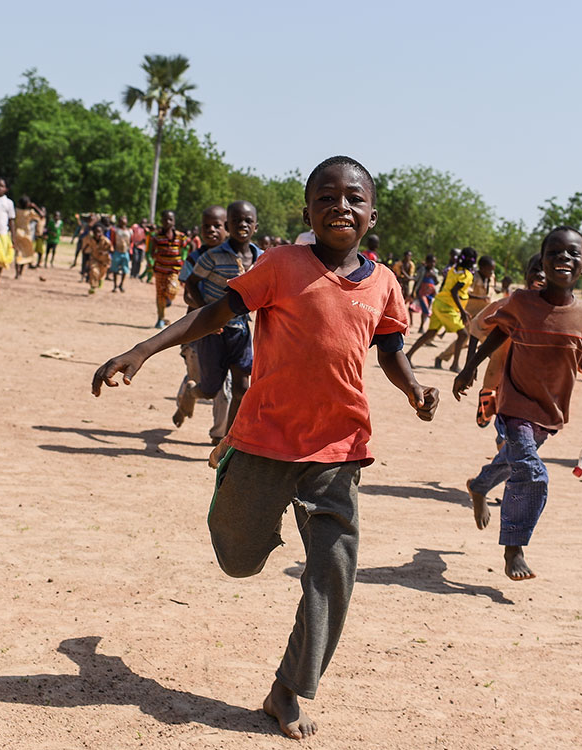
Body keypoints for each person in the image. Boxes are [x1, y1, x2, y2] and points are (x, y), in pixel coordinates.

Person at [93, 155, 437, 740]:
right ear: (308, 210)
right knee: (238, 559)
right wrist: (143, 351)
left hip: (338, 447)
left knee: (332, 572)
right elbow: (215, 312)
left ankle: (288, 691)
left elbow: (390, 349)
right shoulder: (281, 265)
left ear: (372, 214)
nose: (341, 208)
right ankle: (229, 478)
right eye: (326, 198)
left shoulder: (383, 283)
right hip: (263, 441)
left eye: (354, 199)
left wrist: (414, 387)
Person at [452, 228, 582, 581]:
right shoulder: (522, 303)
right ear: (542, 261)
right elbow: (499, 331)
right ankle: (514, 548)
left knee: (514, 460)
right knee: (531, 472)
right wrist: (469, 367)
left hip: (549, 412)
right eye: (555, 252)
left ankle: (480, 485)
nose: (564, 258)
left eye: (573, 254)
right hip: (515, 406)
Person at [179, 201, 260, 438]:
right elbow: (192, 283)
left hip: (241, 331)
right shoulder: (212, 256)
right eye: (236, 221)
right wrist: (207, 314)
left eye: (248, 221)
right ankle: (192, 392)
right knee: (211, 389)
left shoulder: (263, 258)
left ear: (256, 226)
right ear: (228, 225)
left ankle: (228, 439)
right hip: (213, 332)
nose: (242, 225)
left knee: (241, 388)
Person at [174, 205, 233, 439]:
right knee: (198, 378)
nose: (211, 230)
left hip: (229, 332)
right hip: (197, 331)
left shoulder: (235, 258)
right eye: (206, 226)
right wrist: (208, 314)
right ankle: (185, 402)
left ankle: (218, 435)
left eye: (217, 225)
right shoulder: (195, 257)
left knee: (224, 388)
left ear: (227, 228)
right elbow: (187, 292)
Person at [470, 259, 541, 432]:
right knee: (510, 428)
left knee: (513, 429)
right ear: (526, 275)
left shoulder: (558, 314)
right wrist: (469, 366)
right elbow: (476, 326)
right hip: (500, 367)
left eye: (547, 271)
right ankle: (488, 395)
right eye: (536, 270)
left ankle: (504, 443)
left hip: (531, 382)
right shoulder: (508, 305)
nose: (541, 275)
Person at [405, 247, 476, 371]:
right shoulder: (466, 275)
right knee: (463, 334)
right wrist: (462, 311)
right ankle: (455, 365)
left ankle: (408, 355)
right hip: (446, 307)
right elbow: (454, 291)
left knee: (431, 332)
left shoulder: (453, 269)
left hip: (439, 303)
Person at [149, 210, 188, 328]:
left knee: (172, 290)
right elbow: (151, 252)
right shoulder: (157, 236)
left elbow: (187, 248)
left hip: (174, 270)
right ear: (161, 221)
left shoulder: (180, 236)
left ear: (174, 221)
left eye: (170, 219)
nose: (167, 222)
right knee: (159, 294)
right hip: (160, 269)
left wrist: (184, 259)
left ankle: (168, 300)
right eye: (165, 219)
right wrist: (152, 261)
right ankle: (160, 318)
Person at [462, 255, 497, 365]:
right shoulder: (473, 277)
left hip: (485, 313)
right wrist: (481, 298)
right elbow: (466, 293)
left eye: (493, 270)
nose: (491, 273)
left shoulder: (492, 277)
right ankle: (443, 357)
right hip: (471, 312)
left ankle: (496, 362)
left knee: (486, 339)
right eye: (489, 270)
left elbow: (492, 289)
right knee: (465, 337)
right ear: (481, 268)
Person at [11, 196, 42, 279]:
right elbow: (42, 215)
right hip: (27, 234)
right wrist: (35, 206)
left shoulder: (16, 211)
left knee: (18, 254)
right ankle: (20, 272)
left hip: (17, 233)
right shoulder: (30, 212)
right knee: (24, 254)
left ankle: (17, 273)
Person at [411, 254, 438, 333]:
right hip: (422, 292)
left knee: (425, 310)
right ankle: (425, 325)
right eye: (431, 262)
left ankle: (421, 326)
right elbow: (416, 280)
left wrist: (434, 276)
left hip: (431, 293)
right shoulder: (422, 270)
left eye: (434, 262)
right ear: (427, 262)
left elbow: (436, 282)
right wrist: (413, 291)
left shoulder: (435, 271)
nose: (432, 264)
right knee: (426, 310)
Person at [82, 223, 111, 293]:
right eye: (96, 232)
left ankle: (100, 279)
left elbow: (111, 249)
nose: (97, 234)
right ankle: (93, 287)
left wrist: (104, 252)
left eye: (99, 232)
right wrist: (84, 251)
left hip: (104, 260)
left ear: (102, 232)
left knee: (101, 273)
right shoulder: (91, 239)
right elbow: (86, 245)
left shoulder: (106, 240)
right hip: (94, 258)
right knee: (94, 271)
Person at [108, 216, 131, 293]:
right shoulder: (115, 230)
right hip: (117, 251)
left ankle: (121, 284)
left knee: (125, 269)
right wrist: (111, 248)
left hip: (125, 252)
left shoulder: (129, 231)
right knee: (115, 269)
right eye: (121, 221)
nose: (123, 223)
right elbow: (112, 240)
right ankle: (115, 285)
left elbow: (130, 241)